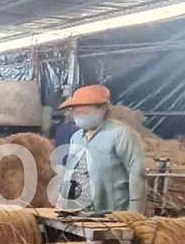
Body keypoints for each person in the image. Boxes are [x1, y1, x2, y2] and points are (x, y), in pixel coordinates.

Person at [60, 85, 145, 213]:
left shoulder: (120, 134)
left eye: (85, 112)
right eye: (76, 112)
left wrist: (135, 211)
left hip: (112, 214)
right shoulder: (76, 138)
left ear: (102, 109)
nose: (79, 116)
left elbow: (136, 171)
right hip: (78, 211)